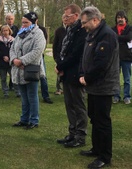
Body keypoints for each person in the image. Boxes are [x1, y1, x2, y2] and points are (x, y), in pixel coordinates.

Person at [79, 6, 119, 168]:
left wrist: (87, 78)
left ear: (95, 20)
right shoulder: (93, 34)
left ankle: (104, 156)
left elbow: (101, 64)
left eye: (84, 22)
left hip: (103, 85)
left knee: (102, 121)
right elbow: (86, 57)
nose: (83, 26)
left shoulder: (107, 36)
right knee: (94, 117)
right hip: (94, 86)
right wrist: (83, 73)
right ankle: (96, 148)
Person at [55, 4, 88, 148]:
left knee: (78, 105)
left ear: (76, 16)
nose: (65, 19)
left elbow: (76, 54)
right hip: (66, 73)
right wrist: (60, 65)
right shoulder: (68, 30)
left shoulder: (82, 31)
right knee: (69, 104)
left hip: (76, 72)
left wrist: (61, 66)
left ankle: (80, 136)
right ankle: (72, 133)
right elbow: (63, 50)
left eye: (67, 16)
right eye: (64, 16)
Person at [10, 12, 46, 129]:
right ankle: (24, 119)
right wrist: (14, 59)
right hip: (19, 70)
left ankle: (34, 120)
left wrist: (21, 61)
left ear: (34, 22)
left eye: (26, 22)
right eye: (23, 22)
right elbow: (12, 48)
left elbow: (37, 51)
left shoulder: (38, 34)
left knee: (32, 96)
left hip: (31, 70)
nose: (24, 24)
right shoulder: (20, 33)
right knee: (24, 97)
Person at [112, 11, 132, 104]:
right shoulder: (113, 29)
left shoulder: (129, 28)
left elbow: (128, 38)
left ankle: (127, 96)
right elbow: (111, 39)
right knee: (115, 78)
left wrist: (117, 37)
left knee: (127, 79)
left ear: (125, 19)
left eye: (122, 17)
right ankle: (116, 96)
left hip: (127, 57)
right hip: (115, 57)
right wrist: (121, 38)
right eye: (118, 17)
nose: (120, 19)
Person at [0, 25, 20, 98]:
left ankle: (17, 92)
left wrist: (10, 57)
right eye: (3, 31)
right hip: (2, 62)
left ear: (9, 31)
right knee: (3, 78)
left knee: (14, 77)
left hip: (11, 62)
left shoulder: (13, 40)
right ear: (1, 32)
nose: (5, 32)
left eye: (6, 30)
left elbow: (16, 50)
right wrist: (3, 56)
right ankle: (5, 92)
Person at [0, 13, 19, 92]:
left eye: (11, 19)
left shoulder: (16, 28)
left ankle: (13, 86)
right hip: (3, 57)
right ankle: (6, 89)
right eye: (8, 19)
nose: (10, 20)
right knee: (3, 76)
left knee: (13, 73)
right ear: (6, 20)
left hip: (13, 54)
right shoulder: (2, 28)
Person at [36, 20, 53, 104]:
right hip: (29, 58)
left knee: (43, 76)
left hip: (39, 56)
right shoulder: (25, 29)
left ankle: (45, 96)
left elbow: (44, 42)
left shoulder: (42, 29)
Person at [52, 16, 67, 95]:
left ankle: (66, 88)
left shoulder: (73, 29)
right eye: (64, 18)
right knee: (59, 72)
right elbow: (55, 44)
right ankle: (59, 88)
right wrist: (55, 56)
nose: (65, 19)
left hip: (68, 55)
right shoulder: (59, 30)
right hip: (60, 54)